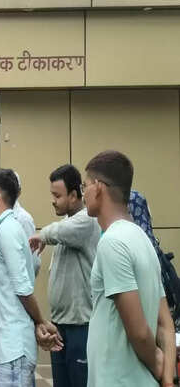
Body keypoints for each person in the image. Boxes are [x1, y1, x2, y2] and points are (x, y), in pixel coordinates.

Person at [83, 151, 175, 387]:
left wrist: (158, 364)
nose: (84, 194)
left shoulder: (112, 243)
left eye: (85, 186)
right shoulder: (142, 239)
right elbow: (165, 323)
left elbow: (139, 332)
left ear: (98, 187)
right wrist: (167, 379)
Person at [0, 168, 61, 387]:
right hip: (9, 343)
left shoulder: (8, 230)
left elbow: (23, 288)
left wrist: (41, 321)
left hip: (14, 346)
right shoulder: (5, 228)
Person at [28, 165, 100, 387]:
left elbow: (61, 230)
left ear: (74, 195)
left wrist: (42, 235)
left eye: (57, 196)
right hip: (60, 325)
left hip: (81, 325)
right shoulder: (66, 227)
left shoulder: (86, 221)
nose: (53, 201)